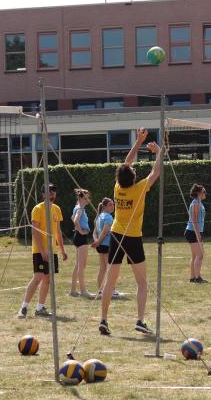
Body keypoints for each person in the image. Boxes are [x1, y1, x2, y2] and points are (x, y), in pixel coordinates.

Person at [99, 128, 163, 336]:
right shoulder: (139, 188)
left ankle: (103, 320)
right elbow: (155, 173)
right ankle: (140, 321)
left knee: (110, 281)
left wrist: (138, 142)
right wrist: (159, 152)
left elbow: (126, 164)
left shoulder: (118, 188)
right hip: (133, 237)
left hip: (116, 235)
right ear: (133, 178)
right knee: (142, 283)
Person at [17, 184, 68, 319]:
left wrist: (62, 250)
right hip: (40, 250)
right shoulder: (37, 209)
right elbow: (35, 232)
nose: (52, 193)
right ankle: (24, 308)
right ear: (43, 194)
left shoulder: (57, 209)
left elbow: (58, 231)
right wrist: (42, 250)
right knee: (38, 277)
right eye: (49, 191)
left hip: (52, 251)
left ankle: (40, 308)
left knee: (48, 279)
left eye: (54, 190)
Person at [91, 197, 120, 300]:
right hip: (107, 245)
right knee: (110, 268)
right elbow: (104, 232)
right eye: (110, 205)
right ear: (104, 206)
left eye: (113, 204)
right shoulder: (108, 217)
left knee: (103, 268)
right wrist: (98, 242)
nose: (112, 206)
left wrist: (97, 242)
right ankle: (111, 290)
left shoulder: (99, 216)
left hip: (100, 246)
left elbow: (94, 233)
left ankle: (101, 289)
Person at [69, 188, 95, 298]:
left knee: (78, 265)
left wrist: (78, 230)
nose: (88, 200)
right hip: (81, 238)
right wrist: (80, 231)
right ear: (80, 198)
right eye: (86, 198)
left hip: (78, 237)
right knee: (81, 265)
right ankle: (83, 291)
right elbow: (75, 220)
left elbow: (72, 218)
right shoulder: (80, 209)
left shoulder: (77, 207)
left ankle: (73, 291)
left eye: (89, 198)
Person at [184, 183, 207, 283]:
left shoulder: (198, 203)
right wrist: (198, 235)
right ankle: (197, 278)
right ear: (198, 193)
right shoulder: (196, 203)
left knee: (195, 256)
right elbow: (194, 220)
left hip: (194, 231)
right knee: (200, 255)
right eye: (204, 192)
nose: (205, 193)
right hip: (192, 232)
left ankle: (193, 277)